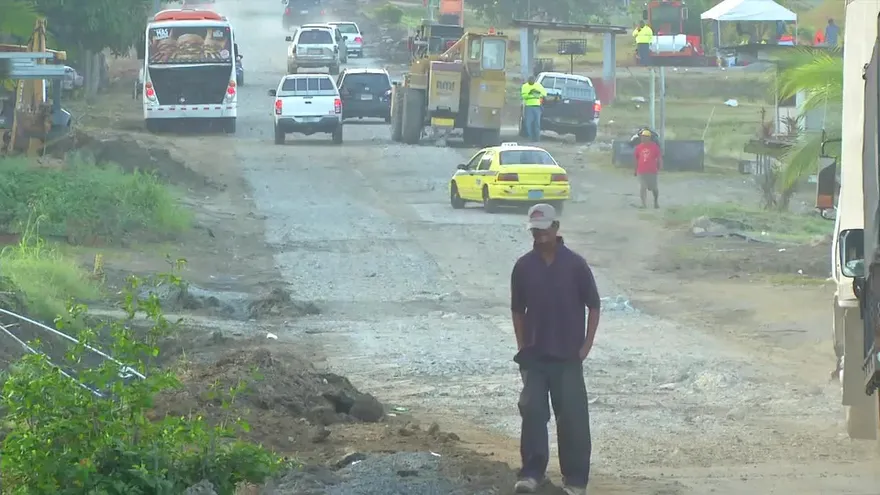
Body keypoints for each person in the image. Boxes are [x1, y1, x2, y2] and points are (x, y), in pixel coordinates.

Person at [510, 203, 601, 495]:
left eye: (544, 229)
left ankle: (575, 482)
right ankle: (531, 474)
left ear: (556, 227)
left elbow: (594, 305)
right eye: (535, 231)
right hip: (535, 357)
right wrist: (522, 346)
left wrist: (586, 346)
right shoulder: (523, 267)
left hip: (568, 356)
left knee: (573, 419)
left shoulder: (575, 265)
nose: (540, 235)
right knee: (533, 413)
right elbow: (517, 310)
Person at [634, 129, 662, 208]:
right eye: (642, 136)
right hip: (641, 171)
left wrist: (659, 166)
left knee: (654, 188)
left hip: (651, 171)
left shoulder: (654, 147)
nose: (643, 138)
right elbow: (636, 159)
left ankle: (656, 201)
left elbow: (659, 158)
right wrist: (635, 170)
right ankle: (643, 204)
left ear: (649, 138)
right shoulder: (638, 147)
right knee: (642, 187)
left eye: (645, 137)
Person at [520, 76, 546, 142]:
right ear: (528, 80)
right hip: (529, 106)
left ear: (534, 80)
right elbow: (524, 96)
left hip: (537, 106)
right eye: (530, 80)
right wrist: (530, 93)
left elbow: (544, 93)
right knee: (528, 123)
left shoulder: (538, 85)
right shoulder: (525, 86)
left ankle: (536, 138)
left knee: (537, 123)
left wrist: (537, 94)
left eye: (533, 80)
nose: (531, 81)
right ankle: (530, 137)